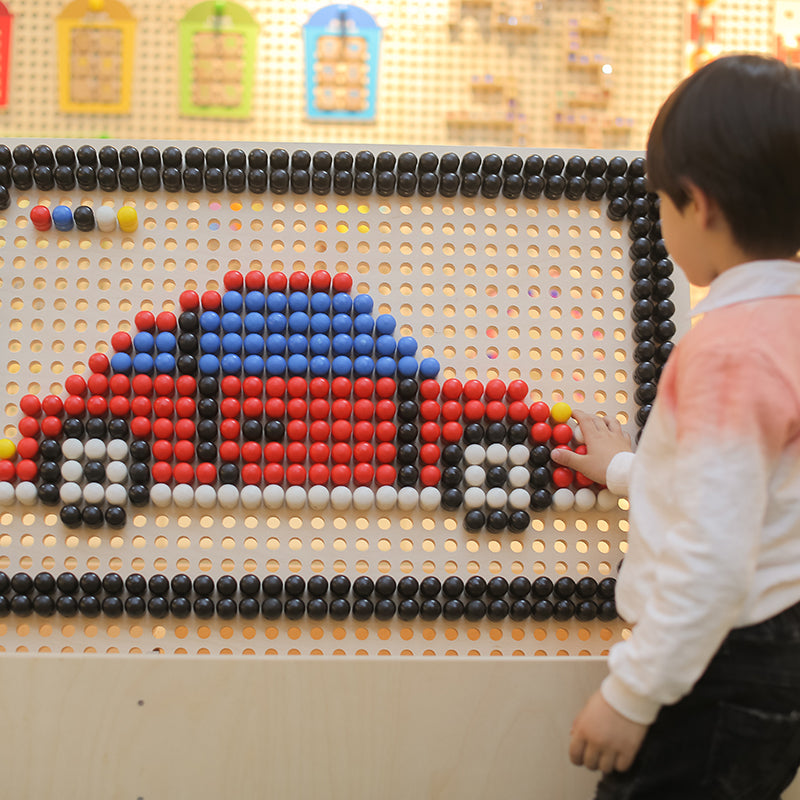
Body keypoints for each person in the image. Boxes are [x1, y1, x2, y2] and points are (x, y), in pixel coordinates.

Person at [552, 54, 800, 798]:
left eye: (660, 203)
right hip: (771, 652)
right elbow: (752, 496)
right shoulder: (783, 328)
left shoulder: (729, 350)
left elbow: (715, 555)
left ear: (700, 205)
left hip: (717, 665)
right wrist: (628, 471)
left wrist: (631, 695)